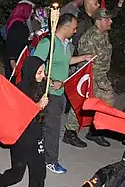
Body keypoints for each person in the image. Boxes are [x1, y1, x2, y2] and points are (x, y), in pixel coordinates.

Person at [0, 56, 50, 187]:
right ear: (30, 72)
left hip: (36, 137)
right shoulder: (19, 90)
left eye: (44, 72)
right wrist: (37, 106)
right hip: (21, 138)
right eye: (39, 72)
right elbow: (18, 115)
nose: (43, 76)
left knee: (39, 174)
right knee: (17, 174)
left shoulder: (42, 87)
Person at [32, 13, 93, 174]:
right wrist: (52, 82)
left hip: (60, 92)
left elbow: (65, 61)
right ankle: (50, 160)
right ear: (65, 27)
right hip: (48, 92)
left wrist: (83, 58)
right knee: (52, 128)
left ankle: (41, 154)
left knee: (48, 126)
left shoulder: (65, 44)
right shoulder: (48, 43)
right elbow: (34, 66)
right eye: (73, 28)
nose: (75, 31)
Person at [75, 8, 116, 148]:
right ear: (98, 21)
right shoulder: (91, 38)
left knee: (100, 106)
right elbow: (89, 63)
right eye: (107, 19)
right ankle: (70, 132)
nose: (110, 21)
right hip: (92, 77)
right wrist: (101, 82)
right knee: (83, 104)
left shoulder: (103, 34)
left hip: (100, 76)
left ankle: (95, 132)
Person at [3, 3, 33, 79]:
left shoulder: (21, 22)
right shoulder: (17, 24)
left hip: (19, 55)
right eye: (29, 10)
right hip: (15, 57)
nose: (32, 12)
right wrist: (12, 59)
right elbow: (11, 41)